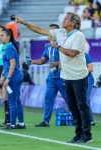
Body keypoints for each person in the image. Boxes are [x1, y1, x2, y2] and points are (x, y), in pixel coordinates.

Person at [15, 12, 92, 143]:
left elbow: (72, 53)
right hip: (66, 76)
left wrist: (57, 46)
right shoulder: (61, 32)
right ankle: (78, 134)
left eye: (66, 18)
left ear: (73, 23)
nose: (63, 19)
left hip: (79, 76)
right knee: (73, 107)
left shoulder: (79, 36)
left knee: (82, 105)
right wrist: (24, 23)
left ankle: (87, 135)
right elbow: (40, 30)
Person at [31, 24, 67, 127]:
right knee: (48, 98)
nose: (49, 33)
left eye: (52, 31)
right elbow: (43, 60)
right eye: (49, 31)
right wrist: (33, 61)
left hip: (62, 75)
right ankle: (46, 121)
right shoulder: (47, 46)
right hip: (52, 76)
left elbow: (69, 59)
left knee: (68, 98)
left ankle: (78, 119)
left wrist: (58, 63)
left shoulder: (62, 45)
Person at [0, 28, 25, 129]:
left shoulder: (8, 48)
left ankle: (13, 124)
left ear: (8, 37)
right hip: (15, 76)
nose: (0, 37)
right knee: (17, 100)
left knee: (12, 101)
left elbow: (12, 64)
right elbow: (6, 65)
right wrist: (3, 75)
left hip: (13, 77)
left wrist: (8, 78)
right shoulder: (8, 47)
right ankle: (21, 123)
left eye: (2, 35)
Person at [0, 25, 10, 126]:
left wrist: (3, 73)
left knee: (6, 97)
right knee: (3, 97)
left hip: (3, 70)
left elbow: (7, 60)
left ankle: (9, 119)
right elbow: (0, 58)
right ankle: (7, 118)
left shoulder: (6, 45)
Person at [85, 52, 95, 126]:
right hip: (77, 79)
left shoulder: (85, 55)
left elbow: (91, 69)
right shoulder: (70, 56)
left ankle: (90, 120)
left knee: (86, 99)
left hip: (88, 79)